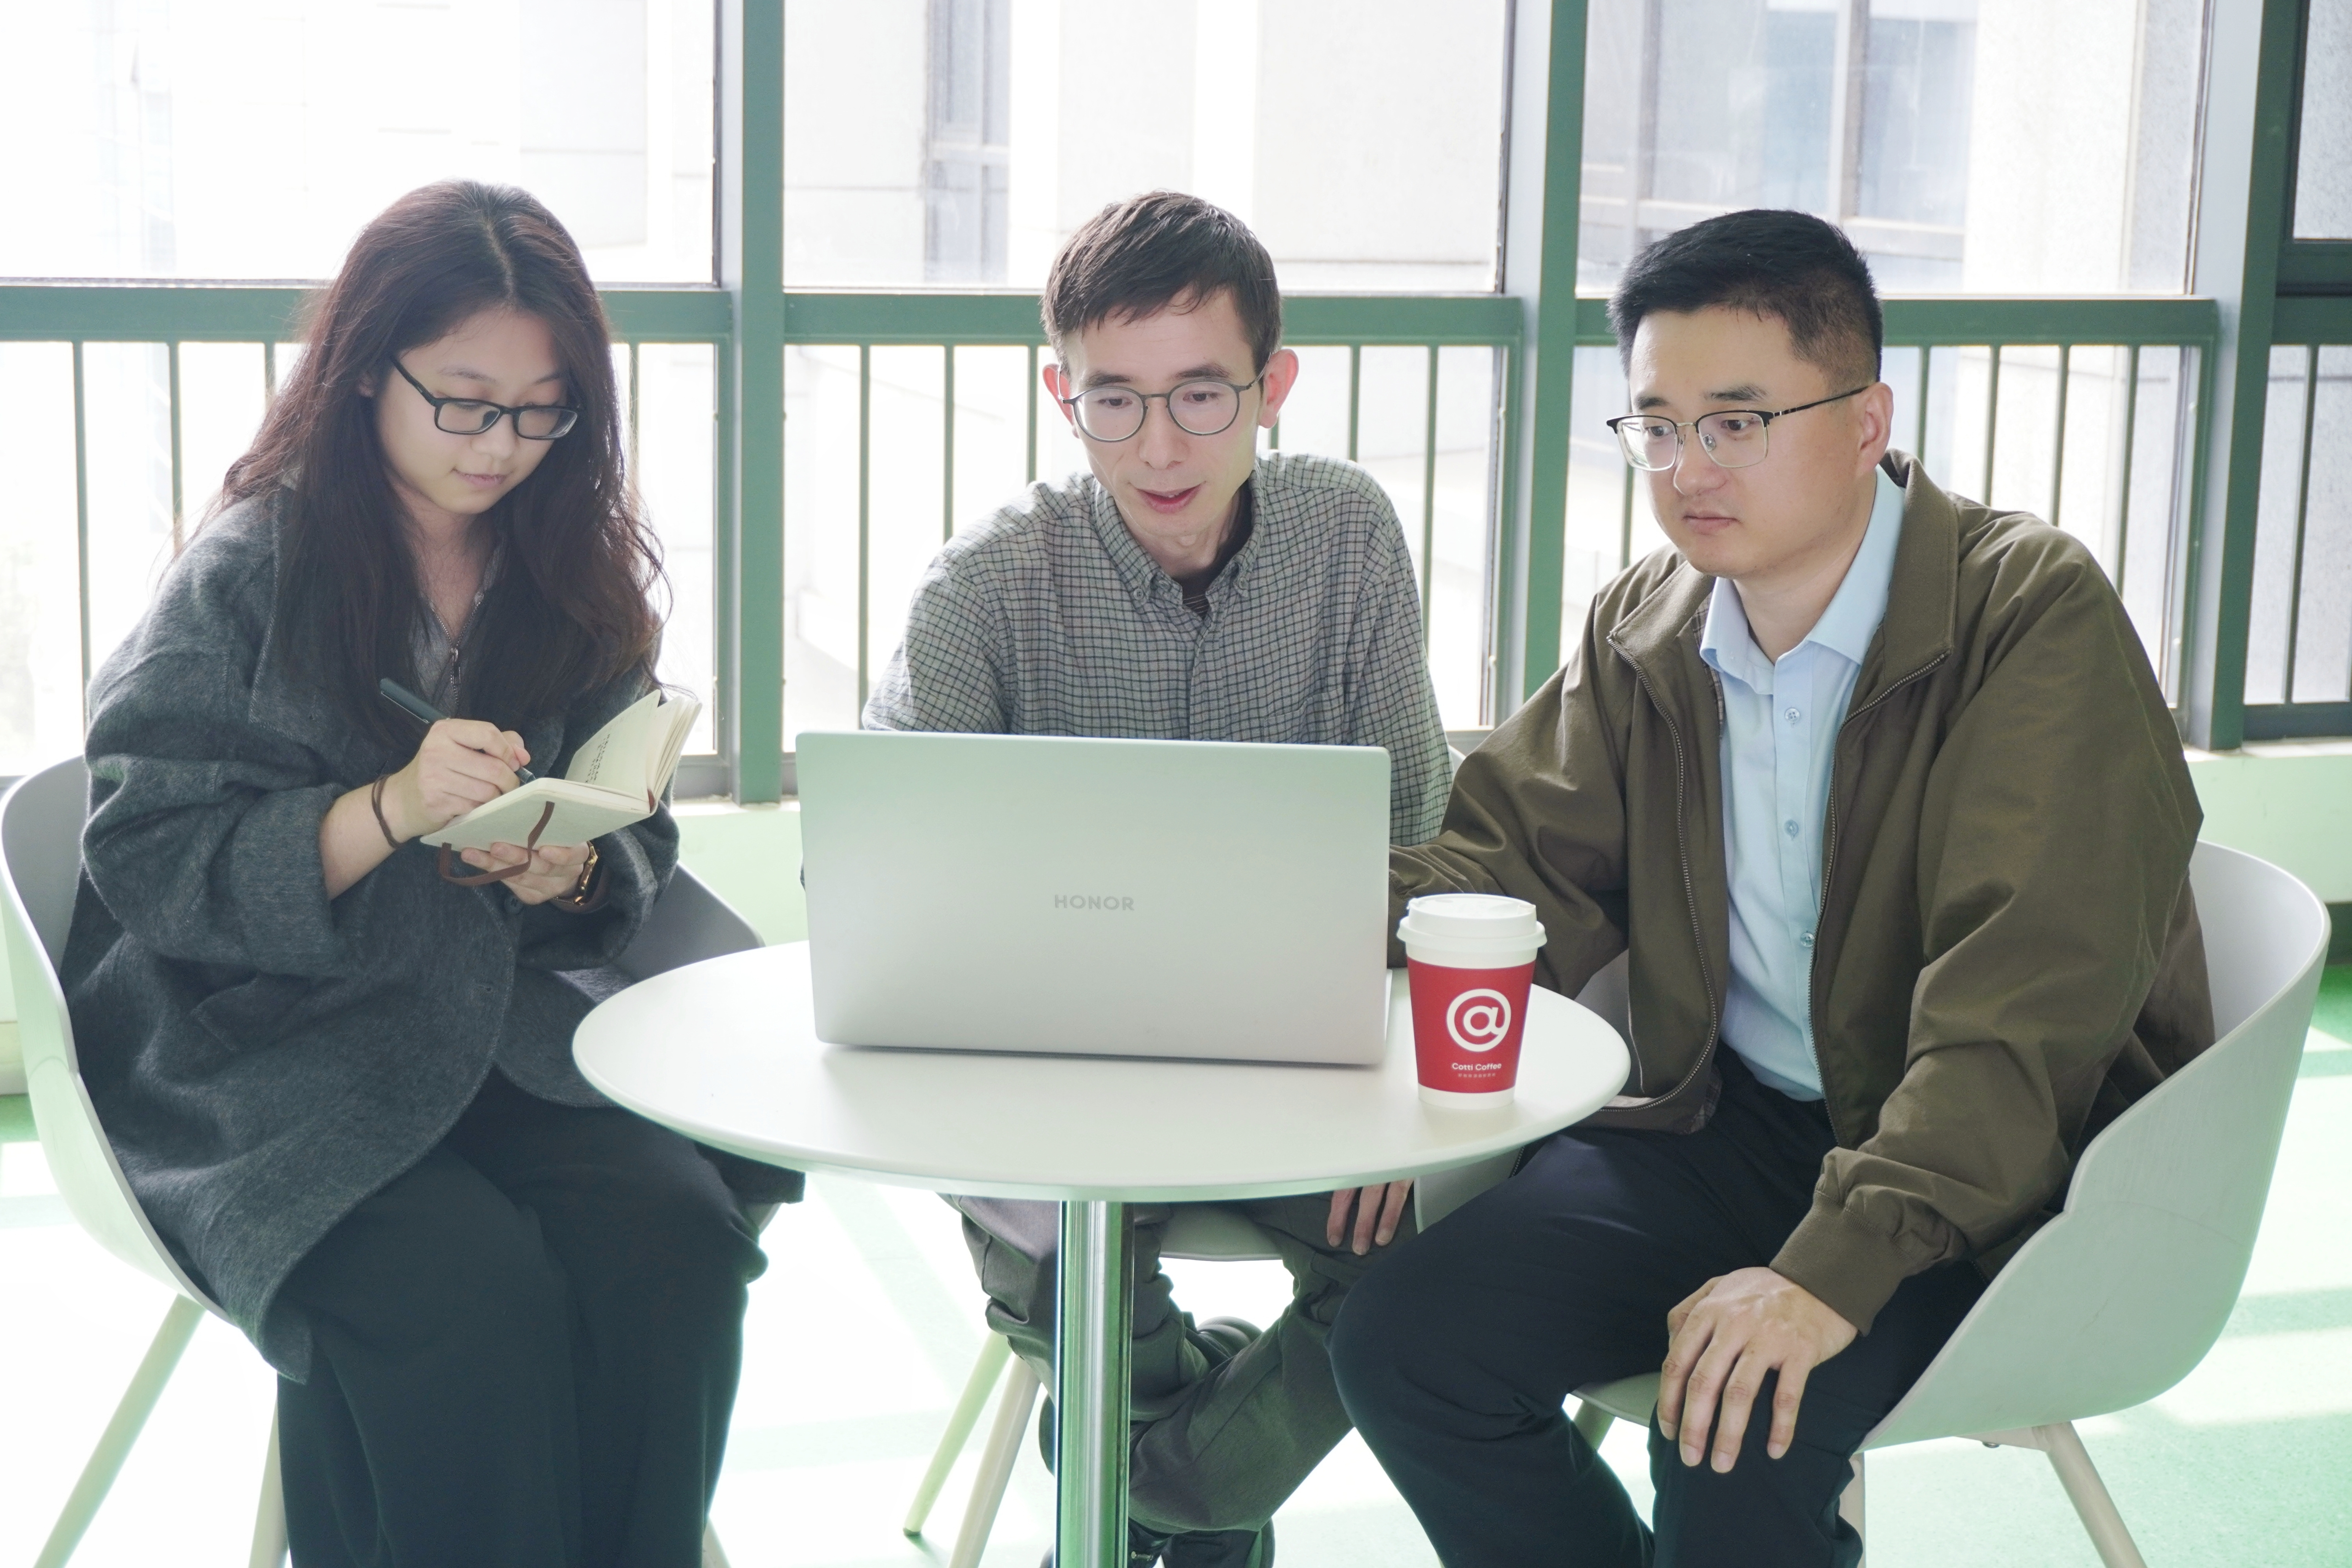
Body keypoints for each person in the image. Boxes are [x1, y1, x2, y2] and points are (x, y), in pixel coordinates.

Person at [1325, 209, 2216, 1568]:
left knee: (1741, 1422)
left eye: (1737, 423)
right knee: (1406, 1342)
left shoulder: (2031, 614)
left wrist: (1827, 1274)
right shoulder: (1649, 626)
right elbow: (1503, 874)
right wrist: (1282, 905)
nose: (1689, 470)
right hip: (1728, 1128)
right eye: (1657, 425)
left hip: (2000, 1180)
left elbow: (2022, 1019)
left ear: (1867, 421)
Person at [62, 181, 792, 1568]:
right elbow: (149, 855)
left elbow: (635, 835)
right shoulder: (249, 572)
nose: (501, 446)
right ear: (364, 371)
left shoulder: (563, 567)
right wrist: (389, 810)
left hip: (497, 1036)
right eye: (464, 403)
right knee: (464, 1299)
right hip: (264, 1055)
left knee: (678, 1249)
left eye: (542, 411)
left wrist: (566, 872)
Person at [865, 190, 1450, 1567]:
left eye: (1201, 395)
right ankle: (1190, 1474)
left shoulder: (1349, 537)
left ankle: (1146, 1483)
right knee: (1063, 1270)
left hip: (1305, 1069)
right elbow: (879, 871)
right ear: (1061, 397)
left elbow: (1421, 837)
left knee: (1427, 1270)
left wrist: (1393, 1111)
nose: (1161, 446)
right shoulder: (983, 587)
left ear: (1272, 387)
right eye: (1114, 402)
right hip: (1048, 1084)